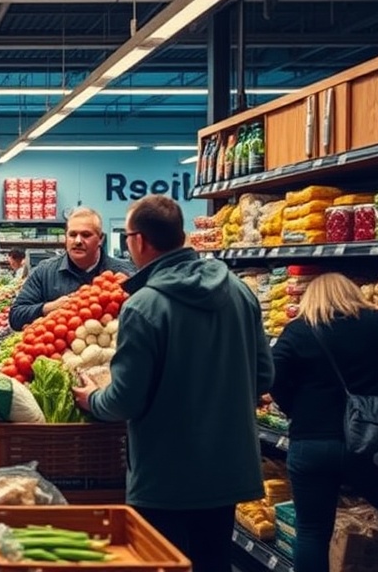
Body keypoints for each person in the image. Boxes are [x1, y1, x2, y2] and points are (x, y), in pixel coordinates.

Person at [72, 195, 273, 572]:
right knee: (213, 561)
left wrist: (93, 399)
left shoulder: (144, 305)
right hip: (228, 468)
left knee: (160, 563)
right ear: (181, 235)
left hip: (166, 477)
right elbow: (264, 376)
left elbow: (125, 400)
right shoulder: (240, 291)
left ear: (139, 241)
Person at [269, 273, 378, 572]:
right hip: (367, 442)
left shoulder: (299, 330)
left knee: (312, 533)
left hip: (310, 441)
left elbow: (272, 377)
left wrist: (295, 409)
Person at [10, 207, 134, 330]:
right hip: (57, 348)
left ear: (101, 239)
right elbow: (15, 316)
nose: (78, 241)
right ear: (66, 237)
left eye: (86, 235)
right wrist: (49, 308)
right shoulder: (44, 272)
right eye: (72, 234)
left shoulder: (124, 273)